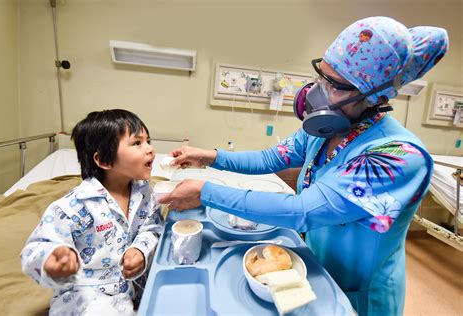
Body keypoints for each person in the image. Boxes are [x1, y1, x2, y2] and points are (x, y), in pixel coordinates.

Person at [158, 17, 449, 315]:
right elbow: (271, 159)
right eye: (321, 76)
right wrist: (210, 156)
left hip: (360, 295)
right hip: (316, 269)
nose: (316, 92)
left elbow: (304, 211)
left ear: (374, 96)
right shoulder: (327, 130)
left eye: (334, 86)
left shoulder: (398, 155)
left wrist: (205, 192)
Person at [21, 109, 163, 315]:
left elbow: (154, 227)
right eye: (137, 143)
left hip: (133, 292)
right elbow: (33, 250)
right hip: (85, 298)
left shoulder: (146, 194)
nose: (150, 149)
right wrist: (52, 260)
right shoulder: (73, 206)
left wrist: (141, 249)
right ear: (104, 160)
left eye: (148, 140)